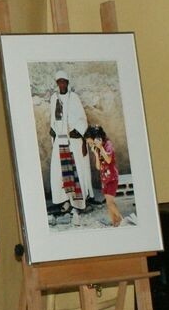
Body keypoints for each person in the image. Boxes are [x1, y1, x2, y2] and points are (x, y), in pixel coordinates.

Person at [48, 69, 92, 225]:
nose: (62, 84)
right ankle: (66, 200)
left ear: (67, 83)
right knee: (61, 172)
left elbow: (82, 119)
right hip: (60, 140)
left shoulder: (74, 98)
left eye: (64, 82)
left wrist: (78, 131)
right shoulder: (54, 98)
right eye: (59, 82)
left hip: (73, 140)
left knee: (75, 171)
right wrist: (52, 129)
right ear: (57, 83)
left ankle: (77, 204)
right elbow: (53, 119)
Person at [85, 124, 123, 226]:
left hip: (112, 178)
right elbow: (98, 167)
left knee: (110, 202)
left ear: (96, 138)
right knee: (108, 203)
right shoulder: (97, 149)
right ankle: (115, 223)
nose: (90, 145)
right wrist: (96, 154)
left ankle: (121, 220)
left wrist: (101, 147)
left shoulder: (107, 145)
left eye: (90, 142)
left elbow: (108, 160)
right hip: (104, 179)